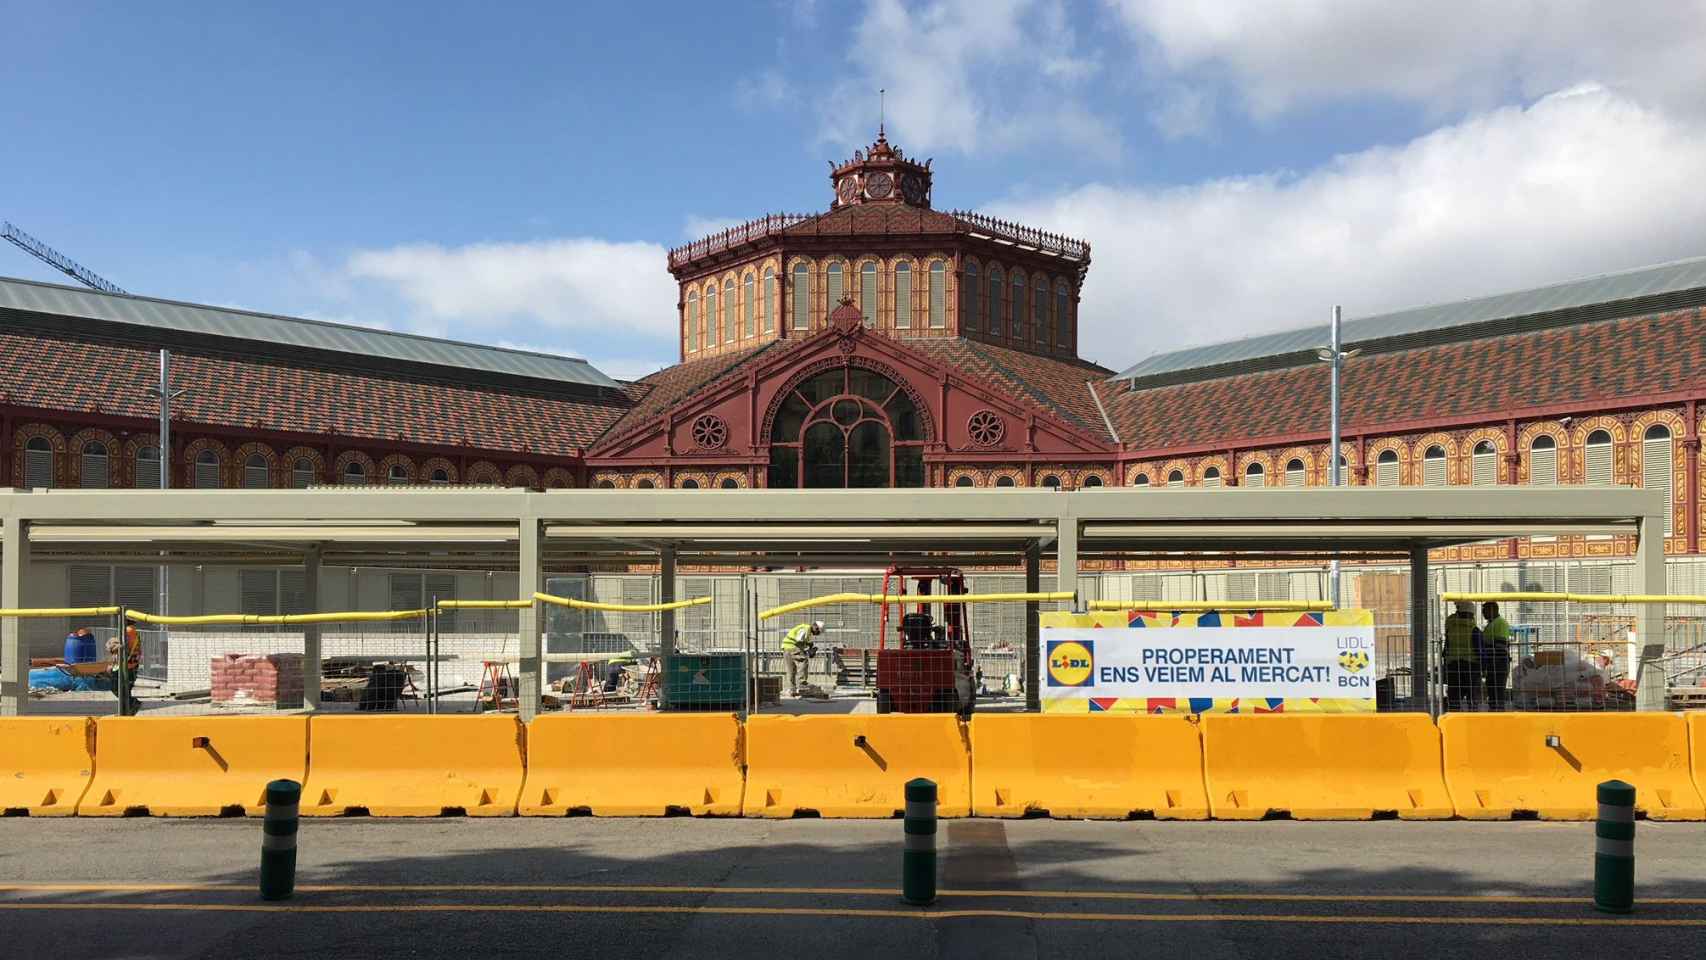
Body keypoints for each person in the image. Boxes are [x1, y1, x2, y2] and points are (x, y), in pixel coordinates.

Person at [1442, 600, 1483, 710]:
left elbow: (1446, 648)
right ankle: (1472, 717)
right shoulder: (1474, 630)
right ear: (1471, 614)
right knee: (1472, 697)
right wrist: (1483, 667)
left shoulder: (1451, 628)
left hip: (1453, 666)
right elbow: (1479, 651)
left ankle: (1453, 718)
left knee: (1454, 697)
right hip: (1471, 668)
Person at [1480, 601, 1513, 711]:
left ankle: (1499, 713)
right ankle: (1494, 712)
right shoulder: (1491, 624)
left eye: (1484, 611)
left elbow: (1500, 645)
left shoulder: (1500, 623)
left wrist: (1483, 645)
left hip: (1499, 662)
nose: (1483, 613)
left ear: (1492, 610)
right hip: (1493, 663)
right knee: (1492, 690)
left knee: (1498, 691)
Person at [781, 620, 823, 697]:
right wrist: (808, 646)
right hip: (793, 647)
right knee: (804, 660)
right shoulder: (806, 628)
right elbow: (799, 640)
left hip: (786, 648)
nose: (816, 634)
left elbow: (800, 641)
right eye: (818, 632)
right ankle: (801, 683)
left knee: (791, 670)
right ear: (816, 627)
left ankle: (792, 689)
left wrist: (807, 645)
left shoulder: (805, 629)